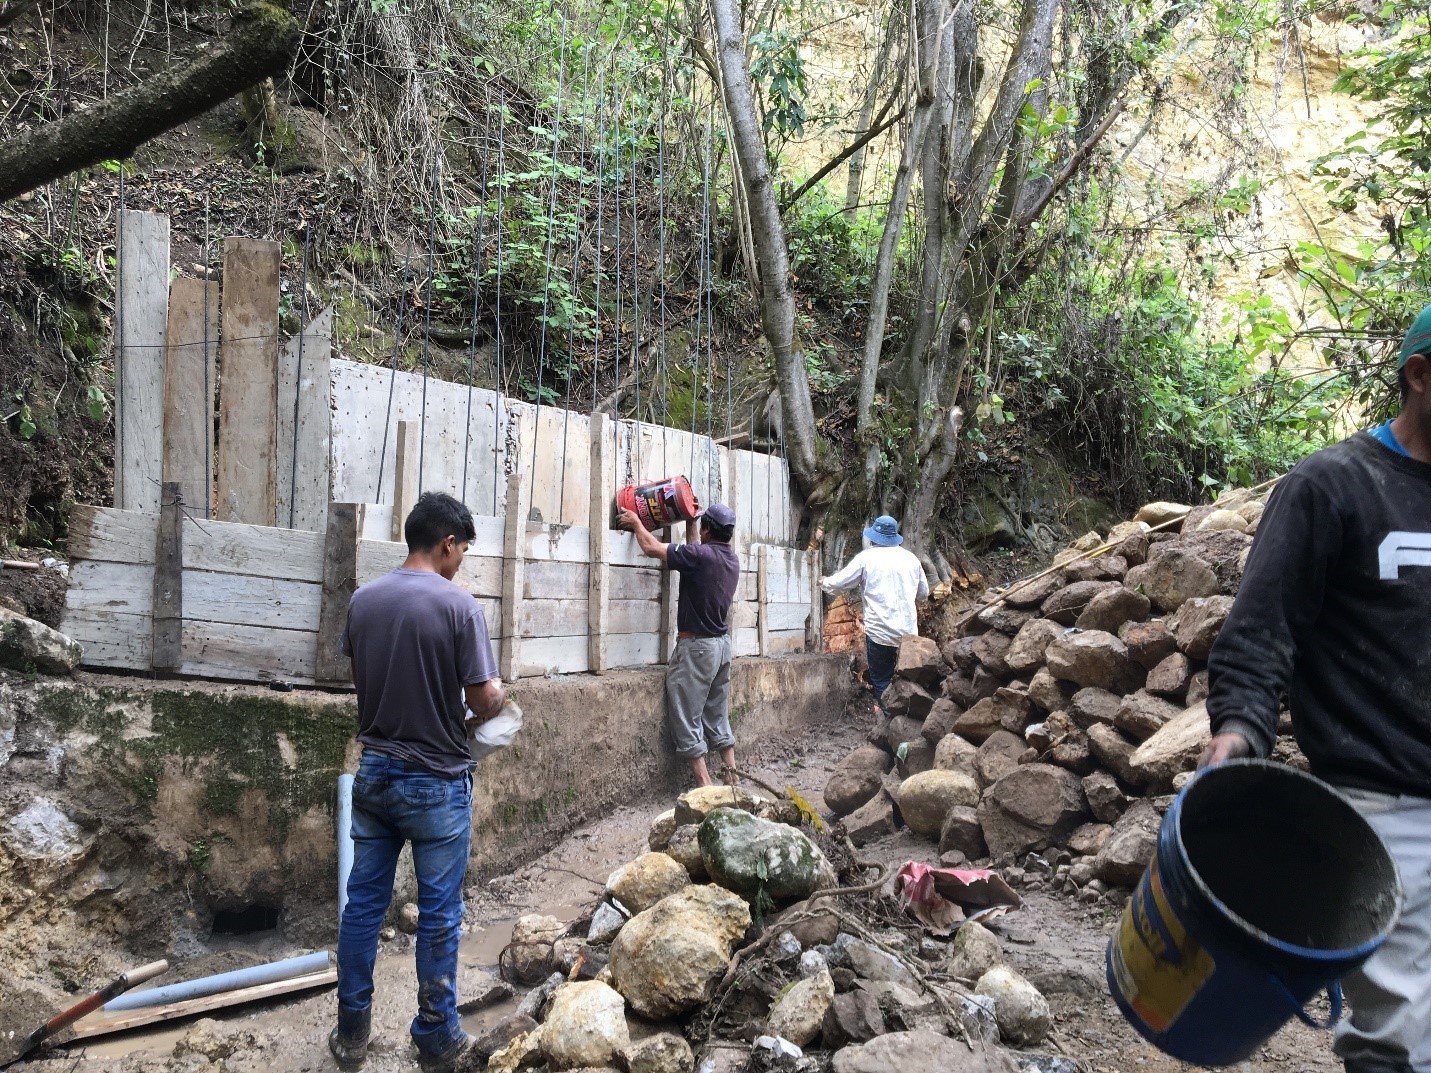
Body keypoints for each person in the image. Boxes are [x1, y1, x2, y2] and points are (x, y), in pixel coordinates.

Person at [1199, 305, 1431, 1073]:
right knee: (1396, 1039)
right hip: (1382, 805)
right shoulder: (1334, 486)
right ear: (1419, 376)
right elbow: (1260, 630)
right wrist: (1238, 731)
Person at [331, 492, 506, 1073]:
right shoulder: (460, 609)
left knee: (362, 907)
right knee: (438, 914)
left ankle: (352, 1032)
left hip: (375, 772)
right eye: (462, 551)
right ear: (447, 543)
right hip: (436, 781)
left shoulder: (362, 602)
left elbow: (362, 682)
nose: (461, 563)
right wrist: (497, 695)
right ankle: (434, 1036)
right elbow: (482, 701)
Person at [617, 502, 740, 787]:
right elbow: (695, 554)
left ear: (708, 530)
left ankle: (705, 787)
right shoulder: (729, 560)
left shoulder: (700, 557)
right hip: (721, 648)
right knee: (717, 715)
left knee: (685, 714)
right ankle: (733, 781)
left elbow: (651, 549)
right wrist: (690, 522)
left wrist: (637, 523)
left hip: (697, 649)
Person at [819, 514, 929, 703]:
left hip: (880, 634)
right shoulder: (911, 560)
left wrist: (823, 582)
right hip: (908, 634)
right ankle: (904, 721)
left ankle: (887, 721)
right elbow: (923, 593)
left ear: (873, 538)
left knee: (881, 680)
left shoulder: (866, 559)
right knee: (907, 678)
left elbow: (841, 583)